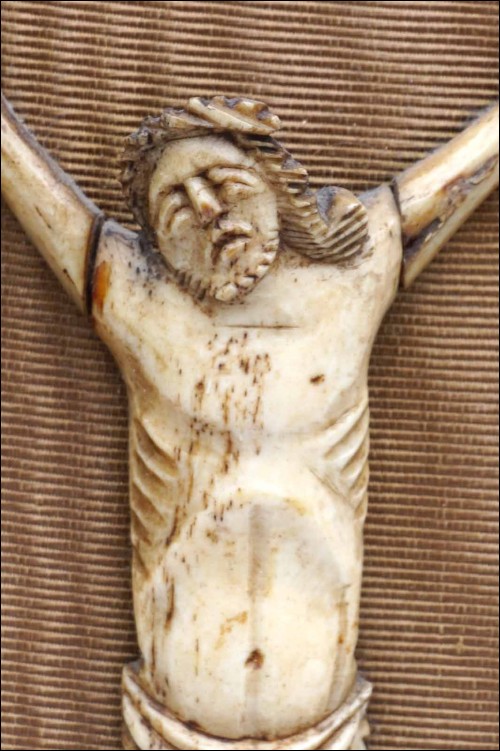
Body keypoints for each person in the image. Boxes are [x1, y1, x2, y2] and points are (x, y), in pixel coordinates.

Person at [2, 94, 498, 751]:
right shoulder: (133, 295)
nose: (208, 210)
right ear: (155, 241)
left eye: (225, 181)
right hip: (169, 724)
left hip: (325, 726)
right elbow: (24, 178)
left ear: (275, 183)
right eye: (175, 205)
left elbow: (473, 163)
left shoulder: (356, 273)